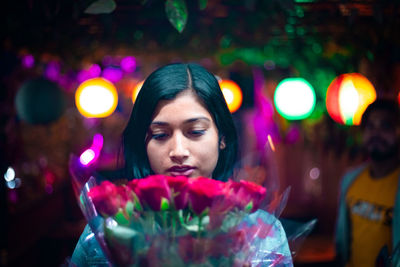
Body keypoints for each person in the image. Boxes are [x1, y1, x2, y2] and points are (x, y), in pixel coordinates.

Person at [70, 63, 292, 266]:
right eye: (159, 135)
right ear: (142, 142)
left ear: (221, 137)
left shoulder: (263, 234)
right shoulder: (107, 233)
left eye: (195, 132)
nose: (178, 151)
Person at [335, 99, 400, 267]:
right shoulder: (350, 180)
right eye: (370, 127)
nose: (376, 133)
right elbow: (342, 241)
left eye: (385, 127)